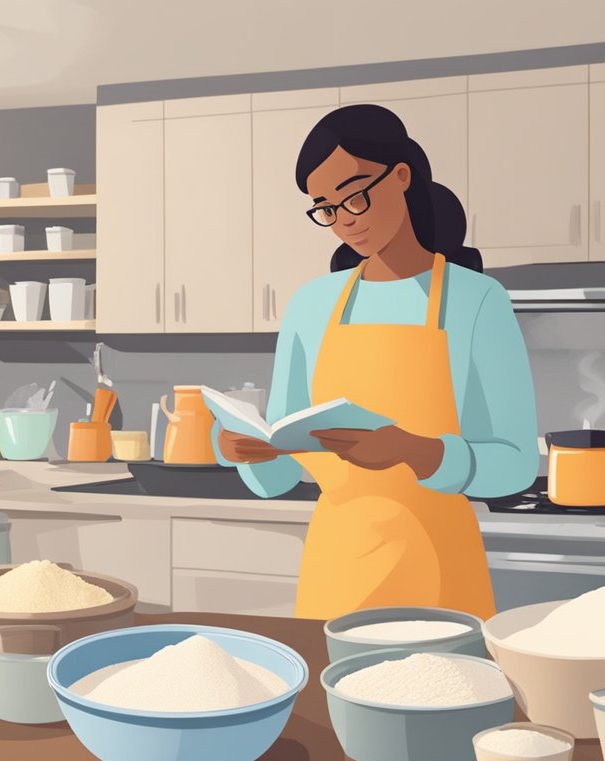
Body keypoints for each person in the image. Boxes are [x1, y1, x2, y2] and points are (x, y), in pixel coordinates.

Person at [217, 104, 538, 621]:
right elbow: (282, 469)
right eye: (327, 207)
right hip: (337, 569)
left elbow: (516, 462)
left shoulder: (476, 300)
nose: (345, 220)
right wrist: (249, 452)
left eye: (357, 195)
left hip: (437, 570)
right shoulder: (312, 305)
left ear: (402, 176)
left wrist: (417, 452)